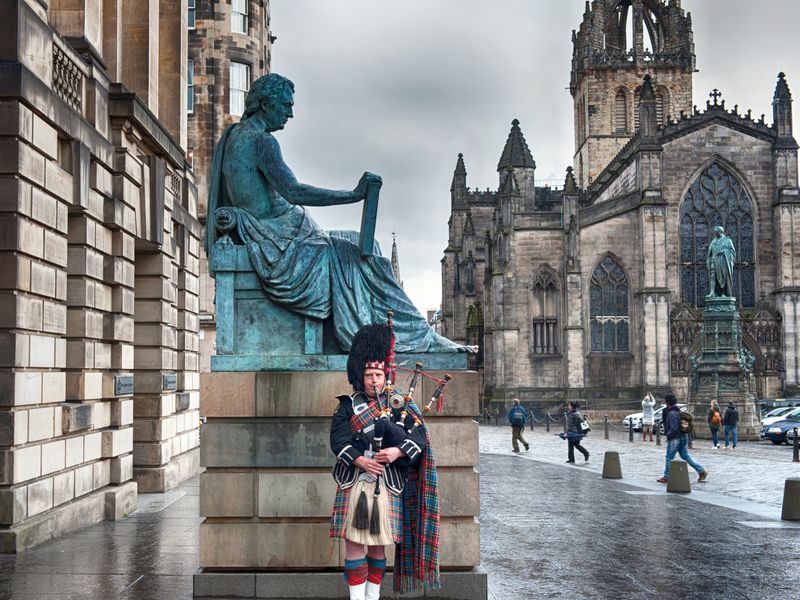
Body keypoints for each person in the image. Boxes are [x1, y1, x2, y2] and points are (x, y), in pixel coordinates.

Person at [207, 72, 464, 354]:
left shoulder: (234, 135)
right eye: (286, 105)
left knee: (367, 246)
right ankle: (414, 339)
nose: (290, 113)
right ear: (266, 104)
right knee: (365, 259)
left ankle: (409, 335)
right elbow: (295, 192)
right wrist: (353, 195)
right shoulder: (261, 141)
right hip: (280, 241)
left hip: (282, 234)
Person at [329, 323, 440, 600]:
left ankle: (373, 597)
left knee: (379, 547)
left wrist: (397, 453)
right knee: (354, 544)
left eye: (378, 374)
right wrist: (361, 461)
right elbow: (338, 441)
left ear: (386, 375)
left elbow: (420, 439)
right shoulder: (346, 405)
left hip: (388, 484)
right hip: (354, 482)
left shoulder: (401, 405)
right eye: (368, 375)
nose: (374, 381)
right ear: (360, 376)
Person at [657, 394, 708, 484]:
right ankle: (701, 471)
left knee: (669, 458)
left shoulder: (671, 414)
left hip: (675, 439)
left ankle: (666, 477)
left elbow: (674, 428)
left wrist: (668, 436)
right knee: (686, 456)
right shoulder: (678, 412)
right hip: (683, 437)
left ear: (667, 403)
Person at [706, 225, 735, 297]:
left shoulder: (728, 241)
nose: (715, 234)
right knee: (713, 276)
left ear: (721, 232)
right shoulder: (714, 240)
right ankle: (712, 292)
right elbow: (710, 252)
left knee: (723, 277)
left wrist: (724, 251)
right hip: (714, 261)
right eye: (715, 232)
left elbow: (732, 252)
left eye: (716, 232)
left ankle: (723, 293)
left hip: (723, 262)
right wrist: (709, 260)